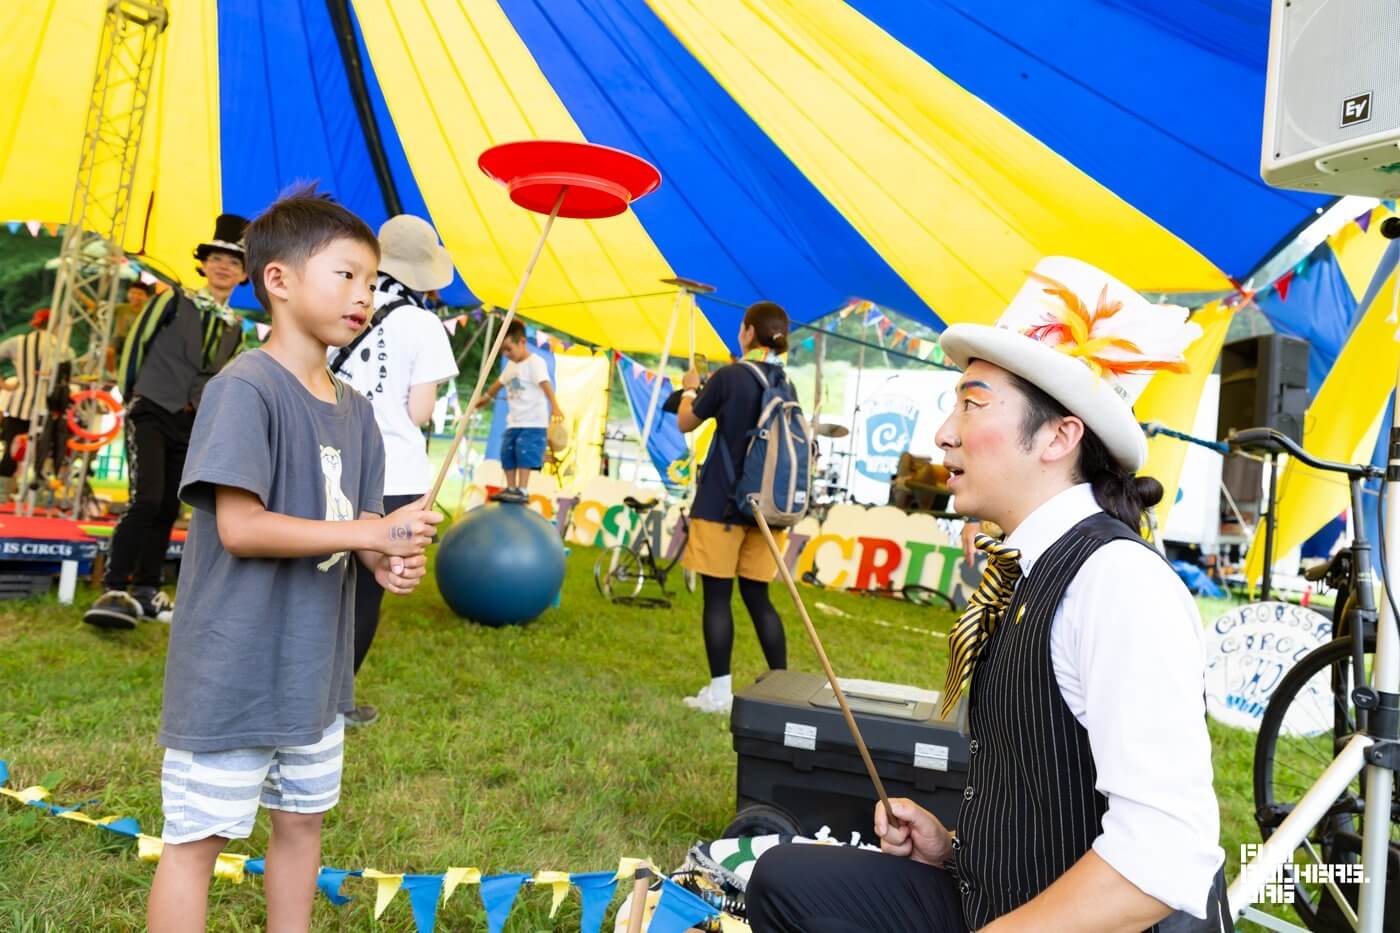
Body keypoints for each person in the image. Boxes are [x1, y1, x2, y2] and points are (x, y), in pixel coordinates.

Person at [745, 258, 1227, 932]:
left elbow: (1164, 856)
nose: (944, 433)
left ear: (1060, 436)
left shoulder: (1118, 582)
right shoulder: (1029, 569)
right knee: (783, 879)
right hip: (993, 897)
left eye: (971, 403)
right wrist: (952, 849)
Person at [146, 188, 442, 933]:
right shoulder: (244, 387)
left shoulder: (360, 413)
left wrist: (389, 559)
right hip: (234, 669)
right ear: (277, 279)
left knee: (302, 826)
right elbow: (242, 527)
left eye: (371, 283)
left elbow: (362, 527)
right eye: (345, 275)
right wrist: (367, 538)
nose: (363, 296)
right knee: (196, 842)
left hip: (313, 674)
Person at [84, 215, 250, 628]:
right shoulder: (172, 300)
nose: (224, 266)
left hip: (192, 423)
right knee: (146, 498)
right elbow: (136, 346)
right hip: (152, 407)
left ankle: (146, 589)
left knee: (169, 507)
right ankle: (115, 586)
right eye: (216, 257)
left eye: (233, 260)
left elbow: (223, 379)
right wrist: (133, 395)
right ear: (204, 263)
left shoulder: (237, 329)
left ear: (245, 272)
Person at [329, 213, 459, 727]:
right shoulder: (423, 324)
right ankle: (338, 704)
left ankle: (299, 687)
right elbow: (419, 412)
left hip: (330, 460)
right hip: (395, 474)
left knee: (318, 579)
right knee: (367, 589)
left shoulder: (341, 303)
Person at [673, 301, 791, 714]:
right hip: (767, 510)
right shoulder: (784, 382)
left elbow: (686, 421)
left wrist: (691, 387)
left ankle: (720, 693)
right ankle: (785, 689)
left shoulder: (729, 377)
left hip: (722, 504)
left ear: (746, 332)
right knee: (759, 598)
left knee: (718, 599)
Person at [473, 318, 562, 493]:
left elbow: (546, 385)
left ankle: (522, 489)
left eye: (509, 349)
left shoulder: (535, 363)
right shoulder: (512, 366)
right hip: (514, 421)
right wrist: (487, 397)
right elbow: (499, 383)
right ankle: (511, 488)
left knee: (524, 455)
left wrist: (555, 406)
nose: (506, 354)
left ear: (522, 342)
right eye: (502, 351)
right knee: (507, 453)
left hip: (533, 423)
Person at [0, 308, 73, 495]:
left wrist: (4, 385)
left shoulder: (17, 342)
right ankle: (37, 496)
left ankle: (2, 494)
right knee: (43, 455)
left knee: (11, 450)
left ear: (35, 322)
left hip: (18, 404)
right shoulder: (62, 348)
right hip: (46, 409)